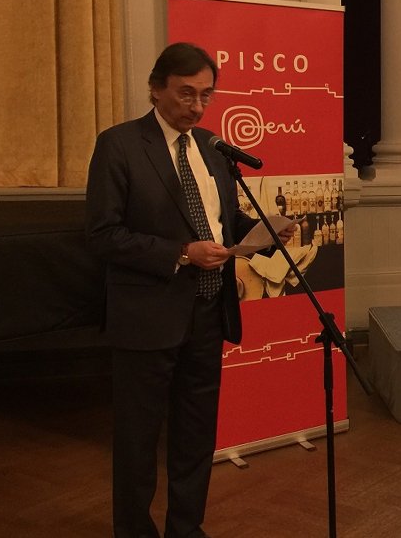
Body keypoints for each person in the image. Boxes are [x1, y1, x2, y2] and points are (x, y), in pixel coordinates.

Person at [86, 42, 287, 538]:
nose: (197, 106)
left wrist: (264, 231)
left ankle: (185, 529)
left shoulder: (211, 149)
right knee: (138, 440)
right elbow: (102, 235)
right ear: (156, 89)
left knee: (196, 434)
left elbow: (223, 221)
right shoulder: (119, 145)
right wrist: (180, 252)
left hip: (207, 312)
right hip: (147, 316)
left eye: (206, 95)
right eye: (186, 93)